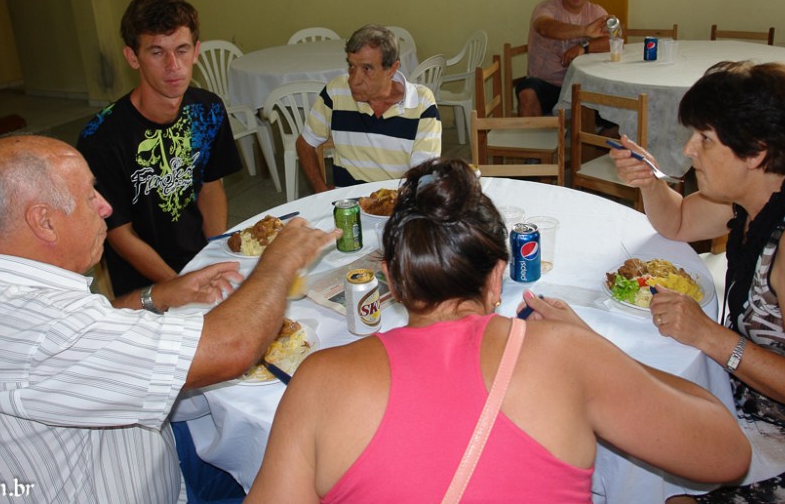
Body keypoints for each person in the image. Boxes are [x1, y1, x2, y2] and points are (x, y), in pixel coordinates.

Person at [246, 157, 750, 503]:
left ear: (392, 282)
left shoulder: (317, 381)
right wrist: (598, 347)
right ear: (497, 277)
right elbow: (728, 455)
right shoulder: (567, 354)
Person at [0, 135, 336, 504]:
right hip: (149, 488)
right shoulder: (45, 334)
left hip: (132, 453)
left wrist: (155, 296)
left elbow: (78, 337)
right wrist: (280, 260)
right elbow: (231, 348)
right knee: (321, 465)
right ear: (43, 222)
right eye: (89, 196)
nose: (106, 207)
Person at [611, 61, 785, 503]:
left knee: (652, 475)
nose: (689, 149)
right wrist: (650, 182)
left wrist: (708, 335)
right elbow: (678, 221)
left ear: (756, 152)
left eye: (705, 138)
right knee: (628, 428)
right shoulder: (758, 195)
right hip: (758, 402)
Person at [78, 0, 241, 297]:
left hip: (198, 260)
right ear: (132, 57)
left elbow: (210, 188)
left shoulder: (208, 110)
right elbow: (120, 234)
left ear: (196, 51)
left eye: (181, 50)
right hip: (142, 285)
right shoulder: (100, 137)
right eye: (157, 52)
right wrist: (181, 285)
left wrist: (215, 254)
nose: (173, 65)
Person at [296, 24, 442, 192]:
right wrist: (320, 189)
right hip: (348, 202)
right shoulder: (336, 91)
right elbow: (304, 143)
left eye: (367, 68)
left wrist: (393, 202)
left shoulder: (421, 103)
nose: (354, 80)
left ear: (392, 69)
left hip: (397, 200)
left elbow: (423, 174)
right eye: (352, 66)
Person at [516, 0, 610, 118]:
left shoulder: (596, 12)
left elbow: (613, 42)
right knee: (527, 93)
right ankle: (537, 136)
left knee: (620, 108)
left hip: (581, 86)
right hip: (547, 84)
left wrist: (583, 47)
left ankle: (584, 136)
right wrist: (585, 30)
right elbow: (545, 28)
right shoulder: (545, 8)